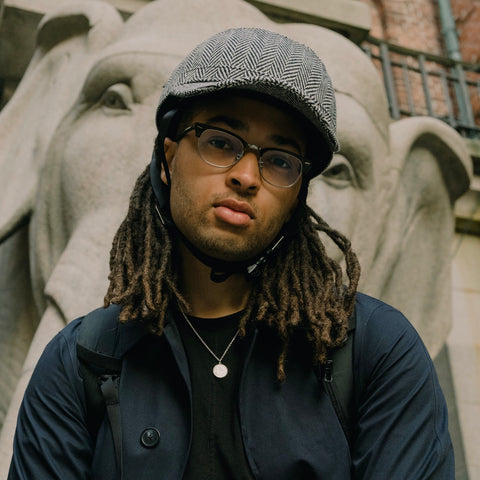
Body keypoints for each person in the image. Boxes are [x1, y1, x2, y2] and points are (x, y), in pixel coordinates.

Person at [8, 27, 453, 479]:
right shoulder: (79, 361)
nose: (246, 175)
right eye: (220, 141)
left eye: (280, 159)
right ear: (168, 158)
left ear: (297, 195)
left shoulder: (378, 351)